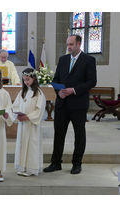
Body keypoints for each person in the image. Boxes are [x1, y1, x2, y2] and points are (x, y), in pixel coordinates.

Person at [43, 35, 97, 174]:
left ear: (79, 44)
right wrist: (58, 91)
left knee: (79, 135)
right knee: (59, 134)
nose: (69, 47)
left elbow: (92, 82)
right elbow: (55, 80)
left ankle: (77, 164)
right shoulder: (63, 59)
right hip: (62, 104)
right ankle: (56, 163)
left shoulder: (89, 60)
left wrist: (73, 90)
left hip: (78, 104)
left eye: (71, 44)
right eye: (68, 44)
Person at [12, 68, 46, 177]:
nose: (26, 82)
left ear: (34, 78)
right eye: (24, 80)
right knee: (22, 145)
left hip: (32, 125)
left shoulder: (39, 93)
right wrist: (17, 114)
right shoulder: (22, 92)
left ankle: (31, 168)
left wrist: (28, 117)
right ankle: (22, 167)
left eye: (28, 79)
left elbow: (39, 110)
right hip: (23, 125)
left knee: (32, 146)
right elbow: (15, 105)